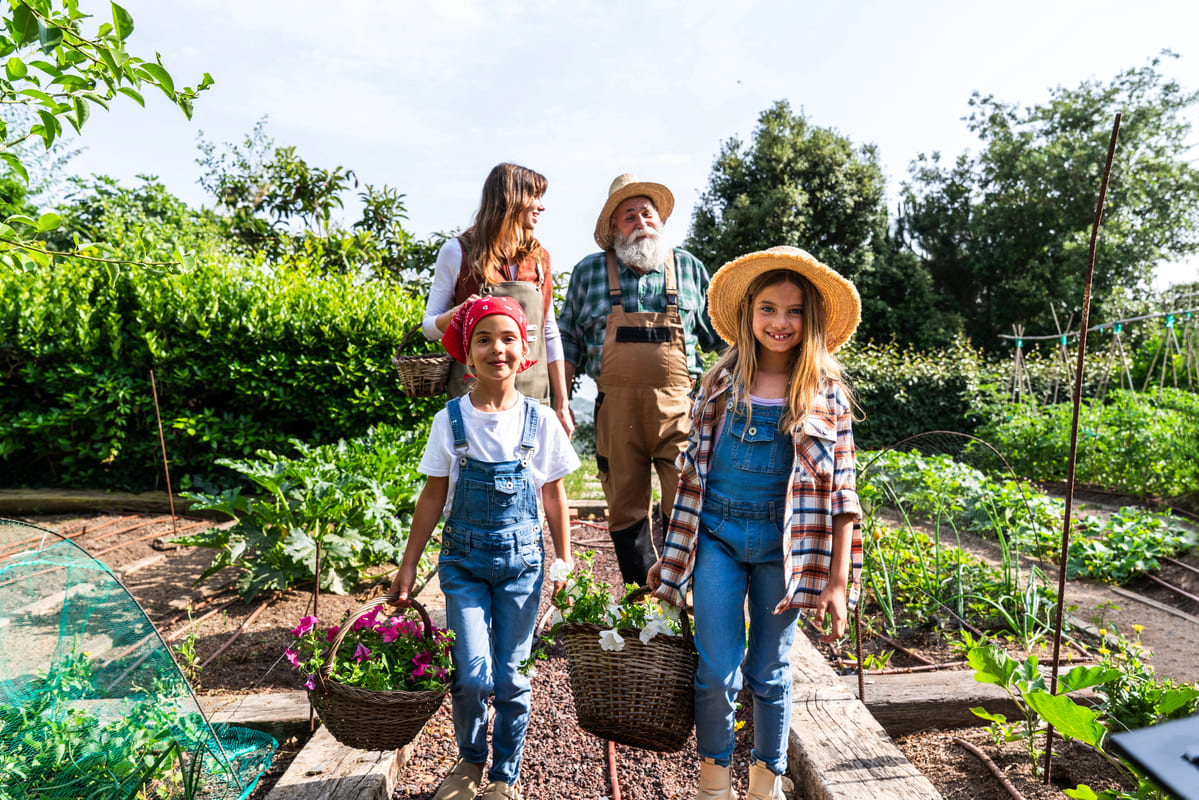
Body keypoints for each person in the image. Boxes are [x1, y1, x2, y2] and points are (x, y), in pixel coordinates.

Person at [647, 246, 864, 800]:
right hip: (717, 538)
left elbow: (842, 495)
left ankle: (766, 784)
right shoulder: (720, 385)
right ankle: (714, 783)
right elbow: (691, 480)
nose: (780, 322)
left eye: (794, 311)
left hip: (781, 549)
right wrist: (672, 557)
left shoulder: (825, 394)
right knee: (716, 671)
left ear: (812, 322)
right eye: (768, 308)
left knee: (769, 671)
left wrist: (838, 582)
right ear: (748, 314)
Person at [389, 296, 578, 800]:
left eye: (508, 337)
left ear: (525, 349)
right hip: (463, 564)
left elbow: (553, 494)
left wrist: (564, 560)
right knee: (471, 676)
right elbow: (433, 496)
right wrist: (409, 565)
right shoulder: (450, 420)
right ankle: (471, 762)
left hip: (522, 566)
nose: (497, 348)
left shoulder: (540, 420)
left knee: (512, 677)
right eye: (484, 339)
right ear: (466, 353)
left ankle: (503, 777)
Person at [558, 173, 722, 587]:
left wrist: (736, 396)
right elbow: (567, 340)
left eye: (647, 213)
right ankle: (640, 604)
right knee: (625, 507)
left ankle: (682, 598)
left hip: (679, 409)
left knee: (685, 499)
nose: (641, 222)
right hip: (617, 411)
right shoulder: (589, 272)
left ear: (660, 221)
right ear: (614, 227)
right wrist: (559, 404)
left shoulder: (688, 268)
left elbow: (723, 340)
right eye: (629, 215)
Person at [423, 162, 573, 437]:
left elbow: (549, 332)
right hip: (473, 401)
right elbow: (428, 327)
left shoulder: (540, 258)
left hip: (532, 398)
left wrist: (562, 404)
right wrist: (456, 314)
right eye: (534, 196)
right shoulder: (457, 252)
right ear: (511, 198)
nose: (541, 206)